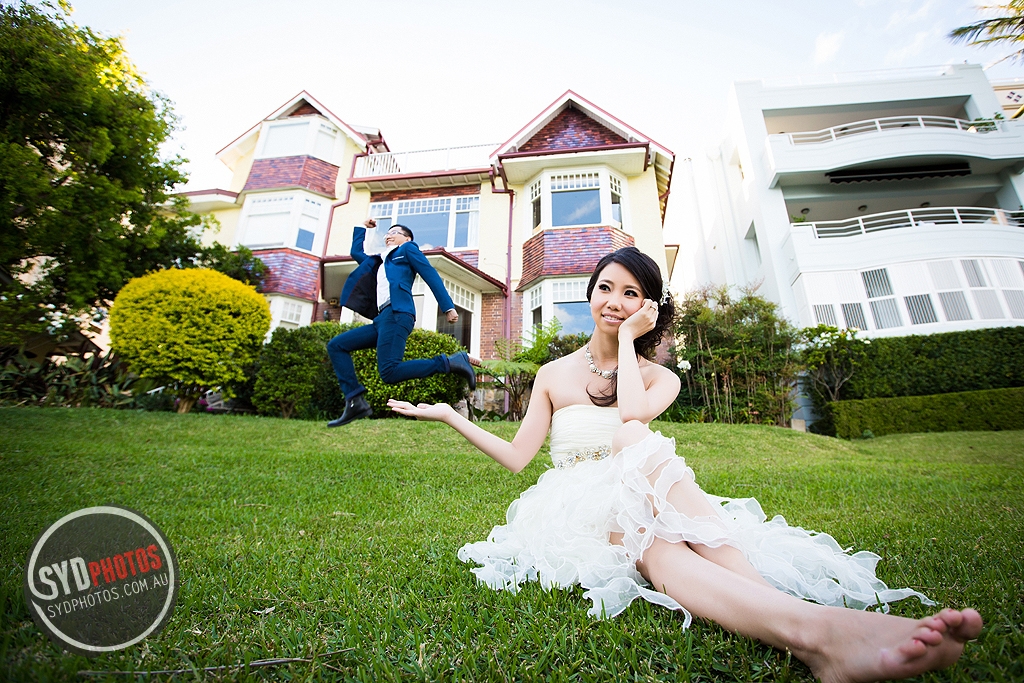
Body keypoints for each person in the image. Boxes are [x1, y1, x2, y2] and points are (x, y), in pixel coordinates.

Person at [388, 246, 982, 683]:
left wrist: (627, 345)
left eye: (631, 294)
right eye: (605, 288)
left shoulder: (660, 377)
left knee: (648, 464)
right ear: (589, 294)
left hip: (649, 486)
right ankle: (817, 631)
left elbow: (631, 415)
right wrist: (449, 415)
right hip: (583, 506)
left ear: (648, 308)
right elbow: (519, 457)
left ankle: (818, 631)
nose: (614, 302)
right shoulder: (550, 375)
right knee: (657, 527)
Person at [326, 219, 476, 427]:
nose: (388, 235)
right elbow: (356, 252)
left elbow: (429, 273)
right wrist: (362, 226)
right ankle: (355, 400)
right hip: (382, 319)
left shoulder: (407, 250)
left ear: (407, 238)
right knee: (337, 345)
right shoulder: (379, 262)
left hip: (398, 313)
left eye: (394, 232)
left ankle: (449, 363)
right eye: (387, 233)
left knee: (389, 371)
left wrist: (448, 306)